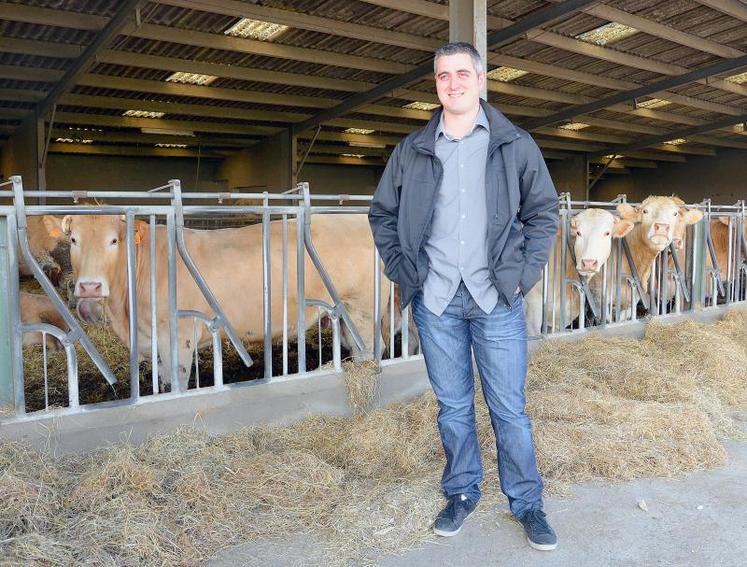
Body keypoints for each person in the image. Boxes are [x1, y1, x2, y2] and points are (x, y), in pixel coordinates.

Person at [368, 41, 559, 551]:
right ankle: (461, 493)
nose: (452, 83)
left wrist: (524, 275)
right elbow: (382, 214)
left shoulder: (513, 143)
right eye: (443, 76)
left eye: (461, 74)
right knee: (453, 408)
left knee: (509, 409)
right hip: (436, 301)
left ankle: (527, 502)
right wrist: (401, 269)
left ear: (480, 81)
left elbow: (543, 213)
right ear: (436, 84)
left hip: (495, 297)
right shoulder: (412, 149)